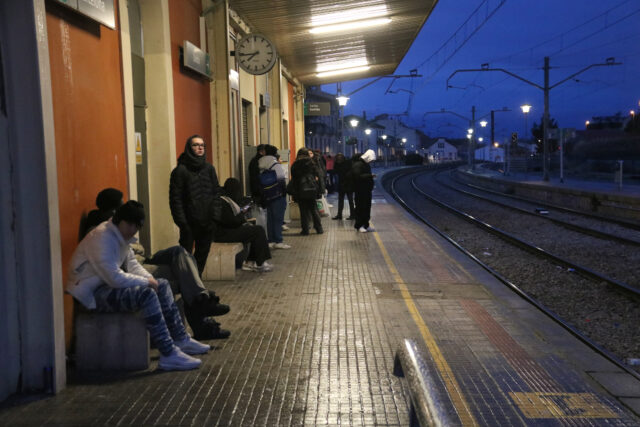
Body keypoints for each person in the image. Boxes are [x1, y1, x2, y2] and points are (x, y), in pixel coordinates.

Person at [67, 201, 210, 371]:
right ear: (120, 220)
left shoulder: (120, 235)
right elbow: (114, 278)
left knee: (162, 285)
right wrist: (146, 283)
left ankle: (180, 339)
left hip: (106, 286)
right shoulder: (101, 238)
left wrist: (150, 279)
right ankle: (168, 353)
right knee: (146, 295)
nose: (133, 230)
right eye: (130, 225)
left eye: (137, 226)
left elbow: (132, 265)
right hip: (91, 295)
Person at [84, 189, 231, 340]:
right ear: (114, 211)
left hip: (144, 260)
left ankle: (201, 298)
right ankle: (202, 316)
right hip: (134, 270)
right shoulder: (101, 231)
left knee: (179, 253)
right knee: (184, 278)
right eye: (122, 206)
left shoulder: (116, 225)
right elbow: (119, 268)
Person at [170, 135, 221, 275]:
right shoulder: (180, 171)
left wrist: (215, 218)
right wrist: (183, 223)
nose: (200, 148)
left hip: (208, 222)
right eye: (196, 145)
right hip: (189, 223)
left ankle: (197, 282)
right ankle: (187, 283)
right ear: (189, 148)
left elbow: (216, 193)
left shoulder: (209, 168)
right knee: (186, 257)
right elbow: (175, 199)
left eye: (202, 145)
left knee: (202, 256)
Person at [210, 178, 274, 272]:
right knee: (258, 230)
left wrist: (242, 216)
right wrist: (242, 217)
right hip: (223, 234)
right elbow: (231, 221)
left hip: (226, 231)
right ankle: (260, 263)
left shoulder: (226, 200)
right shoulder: (222, 202)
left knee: (254, 230)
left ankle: (251, 261)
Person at [258, 145, 290, 249]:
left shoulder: (260, 163)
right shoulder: (275, 164)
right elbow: (281, 180)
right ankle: (278, 241)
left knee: (270, 219)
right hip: (277, 194)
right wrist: (284, 193)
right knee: (278, 218)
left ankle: (271, 240)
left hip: (267, 194)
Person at [290, 148, 323, 235]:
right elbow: (317, 175)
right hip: (311, 189)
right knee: (314, 209)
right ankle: (319, 228)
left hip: (300, 190)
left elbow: (294, 177)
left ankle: (305, 230)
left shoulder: (296, 164)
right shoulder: (312, 163)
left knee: (303, 210)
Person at [351, 149, 377, 232]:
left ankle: (366, 225)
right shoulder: (358, 165)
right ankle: (359, 225)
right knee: (360, 207)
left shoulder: (366, 165)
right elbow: (357, 176)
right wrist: (370, 176)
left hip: (367, 190)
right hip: (360, 190)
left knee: (367, 208)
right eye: (371, 160)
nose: (371, 162)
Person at [332, 153, 355, 220]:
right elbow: (335, 172)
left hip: (346, 184)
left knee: (344, 200)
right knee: (348, 200)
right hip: (345, 184)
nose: (339, 160)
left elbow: (335, 172)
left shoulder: (342, 163)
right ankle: (350, 215)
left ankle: (341, 215)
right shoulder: (346, 163)